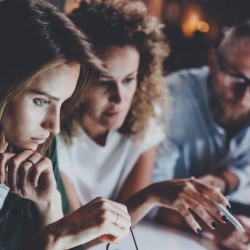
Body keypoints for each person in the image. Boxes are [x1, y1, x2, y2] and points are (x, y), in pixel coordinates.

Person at [56, 1, 230, 247]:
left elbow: (128, 223)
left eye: (129, 79)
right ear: (78, 79)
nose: (120, 97)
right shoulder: (55, 134)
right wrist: (152, 195)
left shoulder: (144, 122)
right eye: (105, 82)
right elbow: (83, 237)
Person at [0, 0, 131, 249]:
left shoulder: (39, 147)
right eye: (40, 101)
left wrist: (49, 206)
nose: (54, 126)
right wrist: (58, 234)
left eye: (62, 103)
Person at [154, 21, 250, 250]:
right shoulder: (171, 99)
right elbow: (151, 197)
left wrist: (227, 180)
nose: (245, 97)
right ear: (212, 60)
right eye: (236, 79)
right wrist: (214, 228)